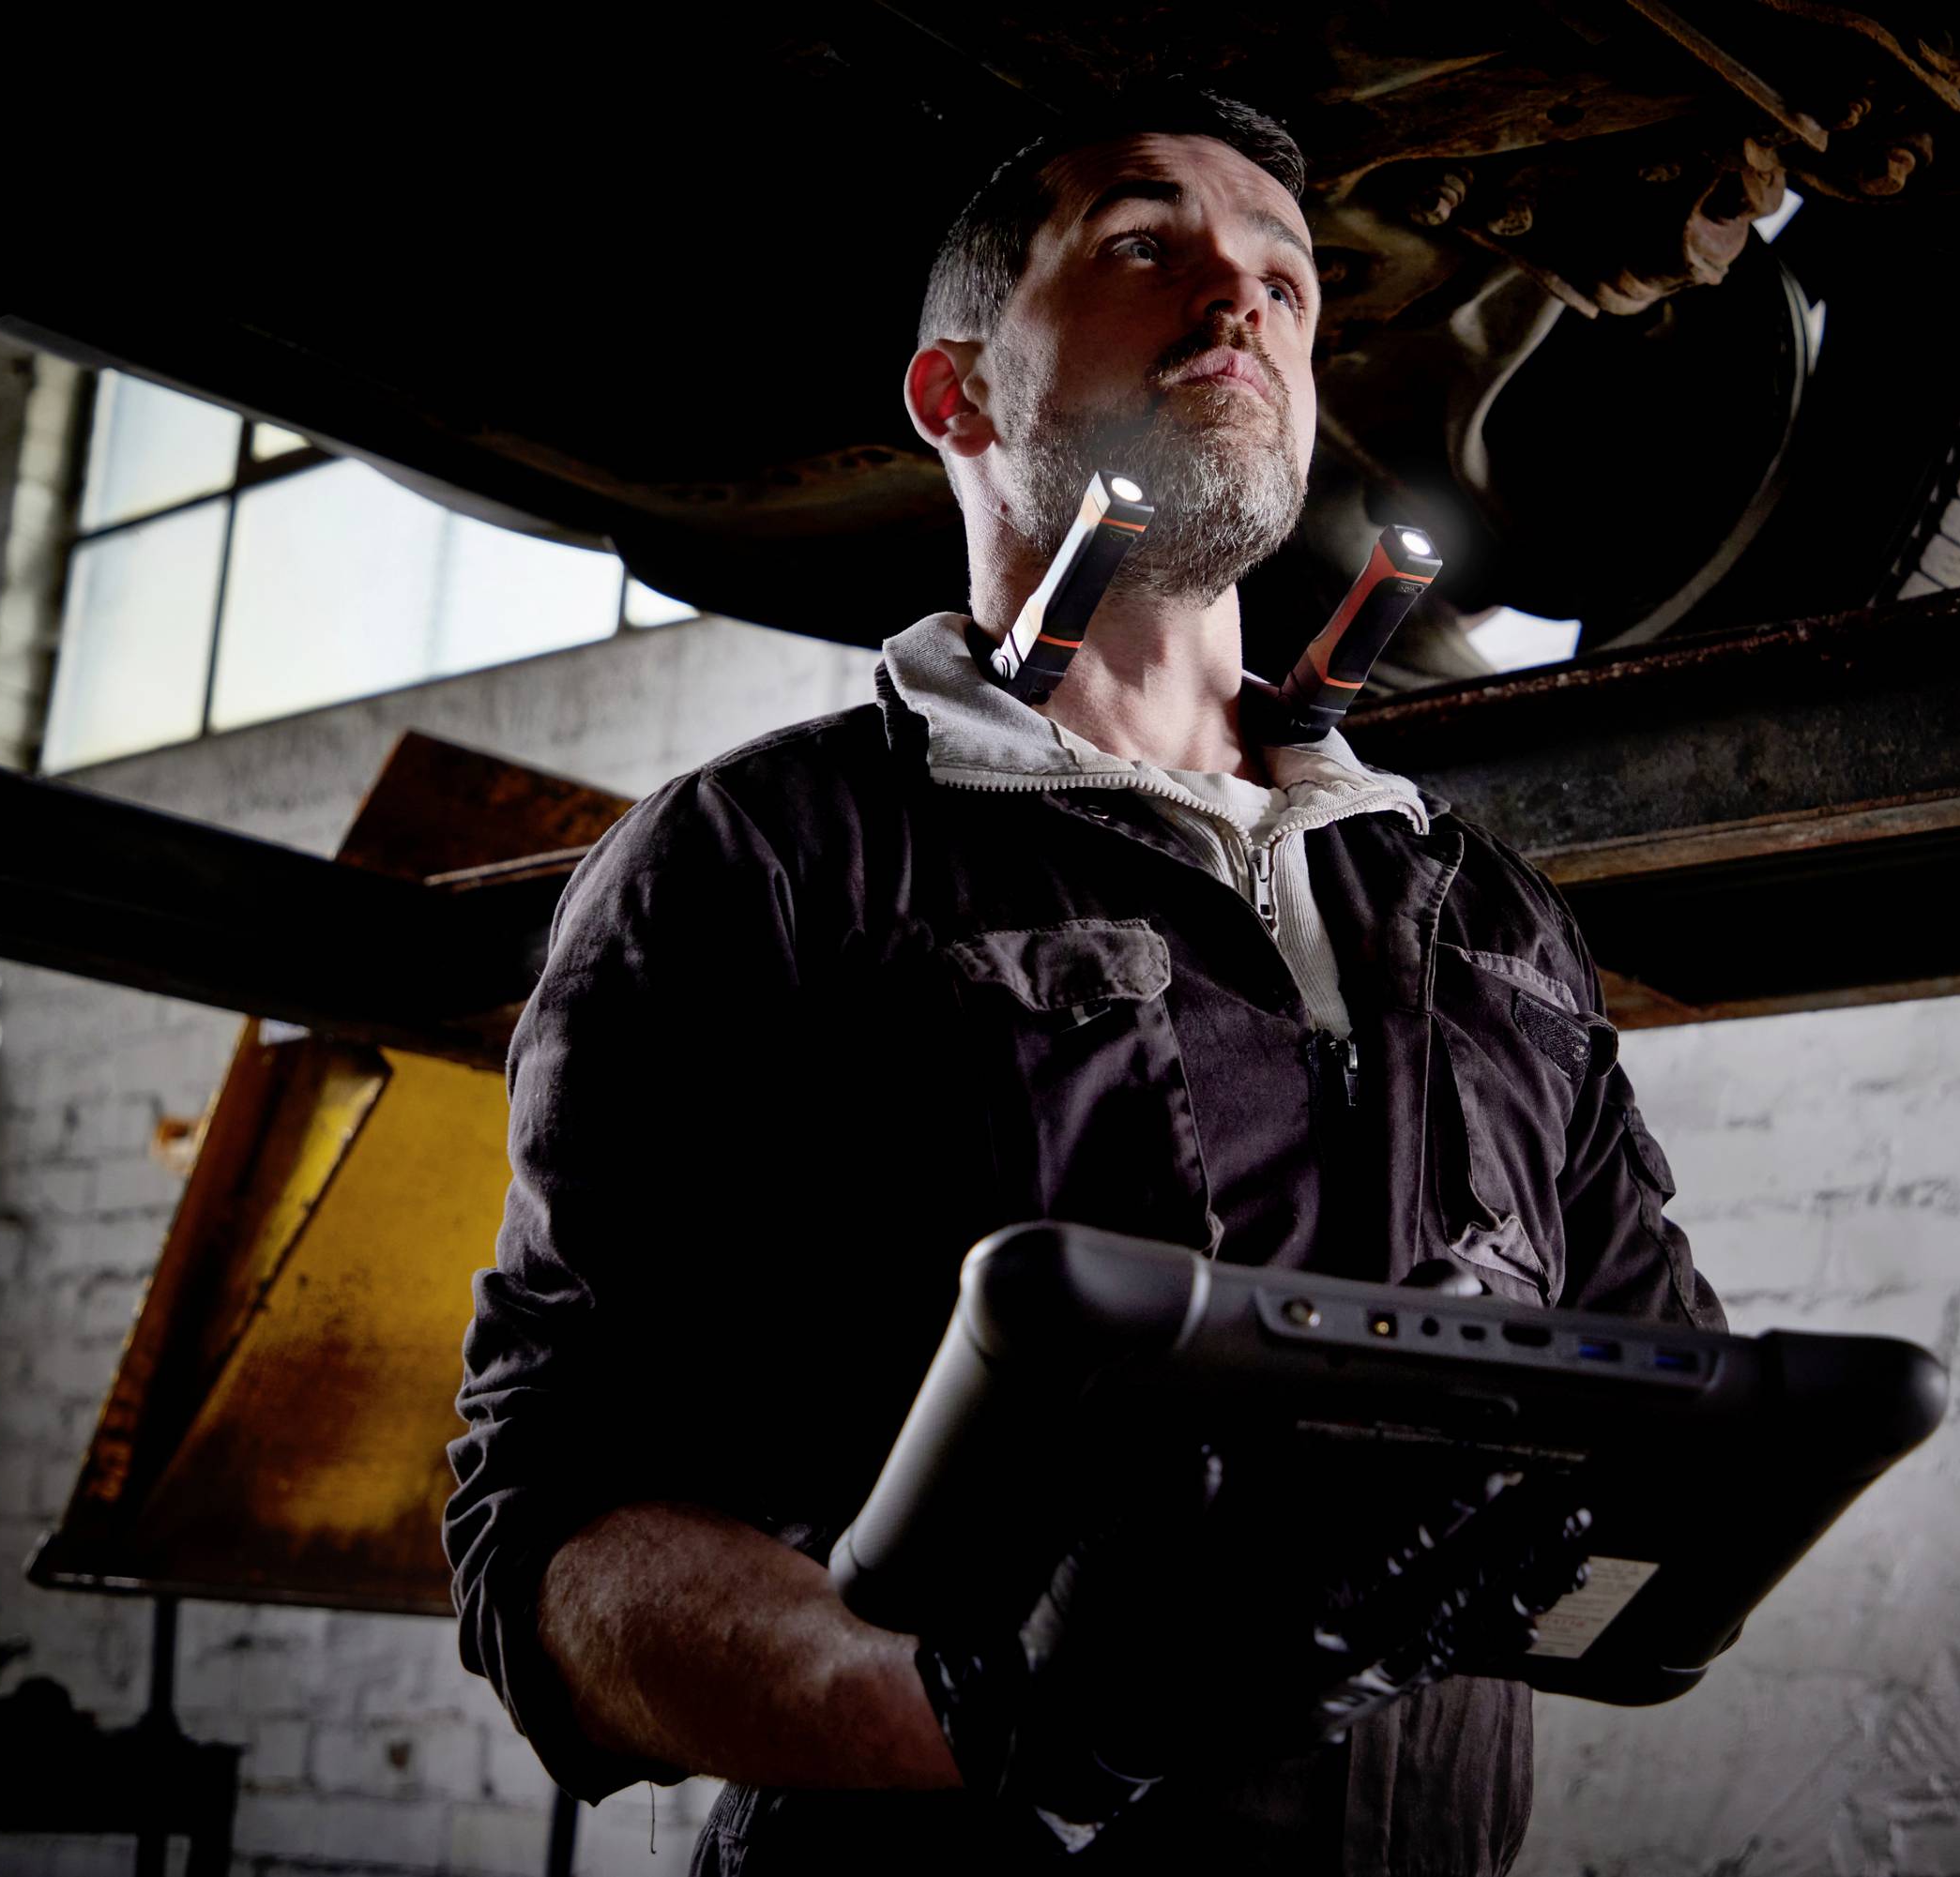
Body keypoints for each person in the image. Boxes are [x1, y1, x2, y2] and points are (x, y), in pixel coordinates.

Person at [444, 86, 1723, 1875]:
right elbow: (550, 1538)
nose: (1243, 303)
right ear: (955, 394)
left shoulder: (1474, 904)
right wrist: (982, 1717)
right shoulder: (767, 859)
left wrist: (1680, 1515)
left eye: (1287, 280)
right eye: (1146, 246)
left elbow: (1671, 1418)